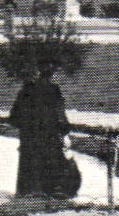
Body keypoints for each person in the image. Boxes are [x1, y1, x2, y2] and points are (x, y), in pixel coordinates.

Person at [10, 64, 80, 198]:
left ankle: (28, 191)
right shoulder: (53, 91)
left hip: (29, 138)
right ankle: (50, 190)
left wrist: (26, 125)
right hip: (50, 136)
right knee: (50, 163)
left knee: (30, 162)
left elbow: (14, 117)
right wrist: (64, 131)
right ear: (50, 75)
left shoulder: (25, 91)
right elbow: (60, 114)